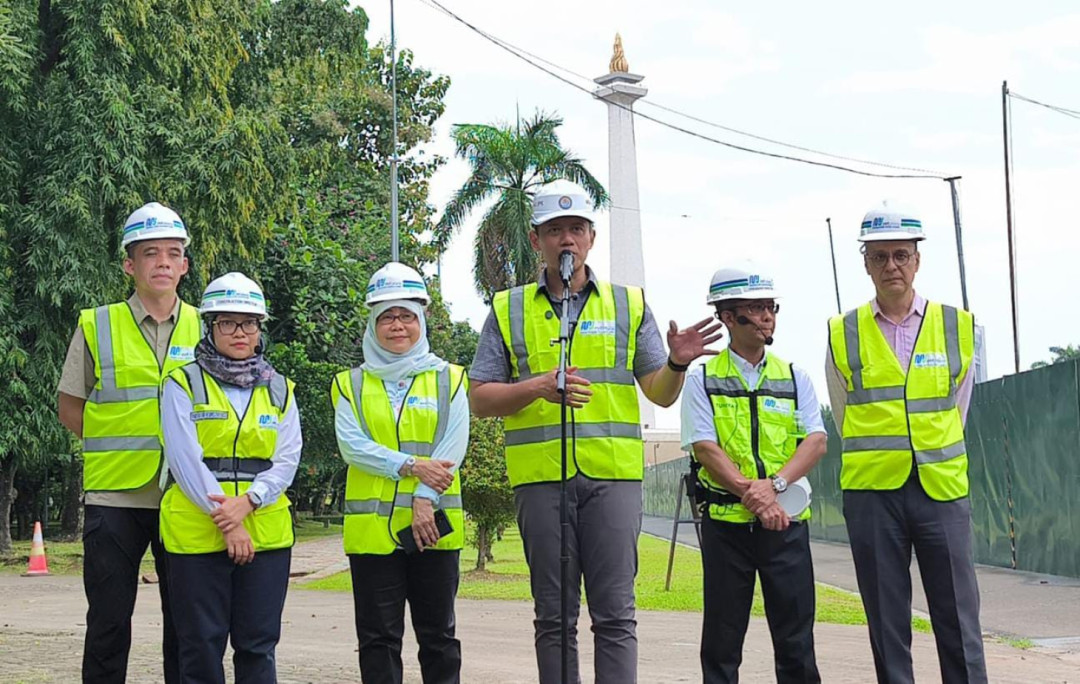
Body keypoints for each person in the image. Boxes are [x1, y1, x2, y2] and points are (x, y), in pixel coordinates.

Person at [469, 179, 721, 684]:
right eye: (556, 230)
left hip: (613, 481)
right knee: (553, 617)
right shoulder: (508, 308)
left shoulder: (629, 304)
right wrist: (538, 387)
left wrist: (674, 362)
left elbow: (660, 392)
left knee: (615, 615)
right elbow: (480, 399)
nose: (568, 240)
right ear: (536, 237)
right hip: (541, 481)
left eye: (577, 229)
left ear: (592, 237)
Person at [825, 202, 985, 684]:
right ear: (865, 262)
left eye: (900, 255)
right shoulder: (842, 331)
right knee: (886, 618)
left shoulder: (959, 325)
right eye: (880, 257)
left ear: (917, 259)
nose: (891, 266)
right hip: (873, 493)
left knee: (959, 615)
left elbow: (960, 403)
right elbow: (841, 410)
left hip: (941, 488)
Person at [57, 202, 198, 683]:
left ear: (184, 265)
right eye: (150, 252)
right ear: (128, 264)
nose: (162, 262)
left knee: (187, 626)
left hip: (186, 497)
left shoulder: (207, 328)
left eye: (172, 253)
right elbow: (70, 407)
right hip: (114, 497)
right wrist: (114, 446)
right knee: (109, 624)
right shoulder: (97, 324)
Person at [681, 261, 826, 683]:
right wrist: (755, 496)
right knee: (723, 644)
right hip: (727, 527)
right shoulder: (702, 378)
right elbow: (705, 448)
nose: (767, 317)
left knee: (797, 641)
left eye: (771, 307)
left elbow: (814, 441)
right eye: (757, 308)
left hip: (786, 524)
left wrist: (776, 488)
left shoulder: (795, 376)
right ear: (728, 317)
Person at [159, 272, 301, 684]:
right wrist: (228, 519)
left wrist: (250, 501)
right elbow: (184, 460)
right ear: (210, 326)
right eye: (227, 322)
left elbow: (287, 458)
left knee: (258, 646)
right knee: (201, 644)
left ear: (260, 329)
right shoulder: (182, 382)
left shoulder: (280, 389)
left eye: (249, 323)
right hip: (196, 532)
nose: (239, 332)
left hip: (266, 533)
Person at [331, 262, 469, 684]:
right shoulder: (349, 384)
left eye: (406, 315)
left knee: (439, 637)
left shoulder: (451, 379)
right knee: (377, 640)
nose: (397, 325)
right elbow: (353, 447)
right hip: (372, 536)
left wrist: (424, 500)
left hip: (435, 529)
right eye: (387, 316)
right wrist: (410, 466)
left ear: (421, 320)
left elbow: (452, 446)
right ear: (373, 324)